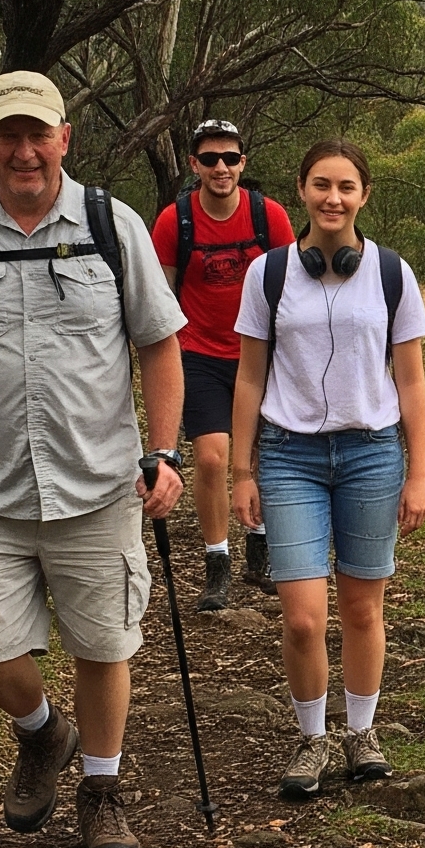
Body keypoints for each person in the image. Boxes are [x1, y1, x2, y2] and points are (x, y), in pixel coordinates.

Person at [0, 71, 187, 848]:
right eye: (9, 134)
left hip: (98, 481)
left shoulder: (112, 224)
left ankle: (101, 791)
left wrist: (164, 451)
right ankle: (43, 733)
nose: (25, 150)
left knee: (104, 646)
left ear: (65, 138)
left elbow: (159, 341)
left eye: (39, 133)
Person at [228, 141, 425, 799]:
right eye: (321, 184)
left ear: (364, 195)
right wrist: (242, 468)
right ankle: (313, 737)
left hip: (372, 453)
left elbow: (410, 382)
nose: (333, 198)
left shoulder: (391, 275)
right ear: (301, 189)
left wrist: (418, 473)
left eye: (346, 186)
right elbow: (249, 375)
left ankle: (362, 733)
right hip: (291, 456)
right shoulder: (269, 274)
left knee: (363, 609)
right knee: (302, 617)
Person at [149, 119, 294, 608]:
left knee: (257, 456)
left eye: (230, 158)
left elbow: (289, 285)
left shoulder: (268, 217)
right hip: (199, 353)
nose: (220, 167)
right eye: (209, 159)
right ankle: (218, 562)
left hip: (261, 354)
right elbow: (159, 295)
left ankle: (261, 546)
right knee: (211, 458)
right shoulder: (175, 221)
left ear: (242, 164)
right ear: (194, 165)